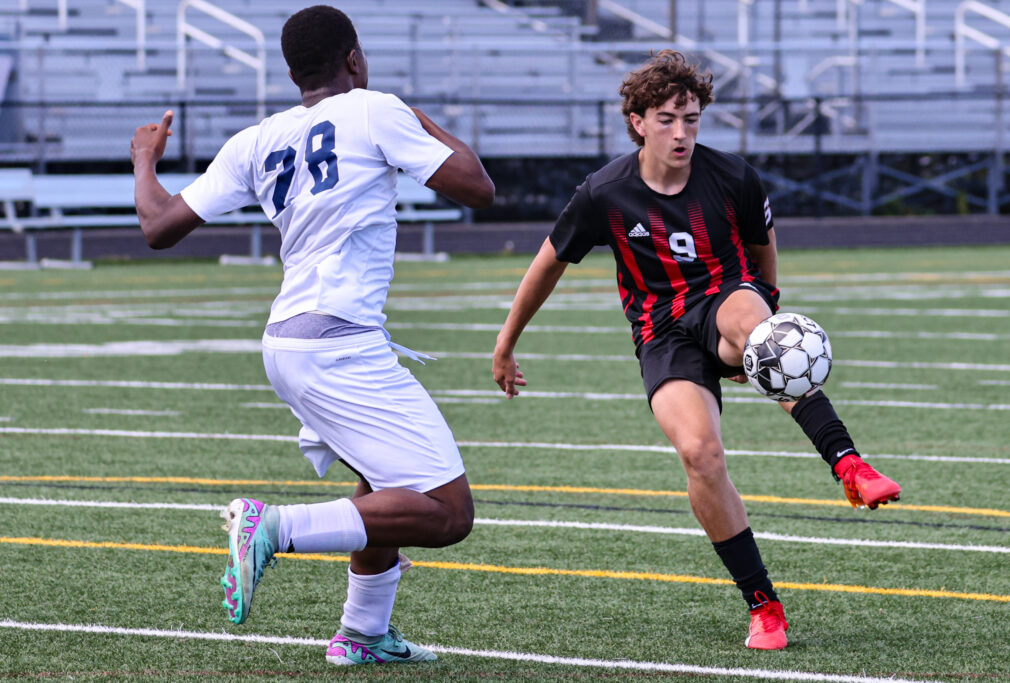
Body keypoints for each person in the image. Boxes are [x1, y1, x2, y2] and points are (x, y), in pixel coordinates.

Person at [491, 49, 901, 651]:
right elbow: (547, 264)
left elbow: (763, 255)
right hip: (661, 331)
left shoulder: (732, 176)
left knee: (760, 327)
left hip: (726, 297)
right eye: (666, 119)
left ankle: (849, 464)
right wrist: (506, 345)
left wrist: (761, 326)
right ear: (637, 121)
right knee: (700, 455)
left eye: (692, 119)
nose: (681, 132)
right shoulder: (604, 192)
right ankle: (763, 605)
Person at [131, 5, 494, 666]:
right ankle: (273, 526)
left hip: (289, 341)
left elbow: (158, 226)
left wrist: (144, 159)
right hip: (338, 343)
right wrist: (405, 112)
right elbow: (477, 186)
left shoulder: (257, 139)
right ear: (353, 59)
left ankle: (361, 631)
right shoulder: (375, 108)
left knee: (381, 484)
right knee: (447, 511)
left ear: (292, 70)